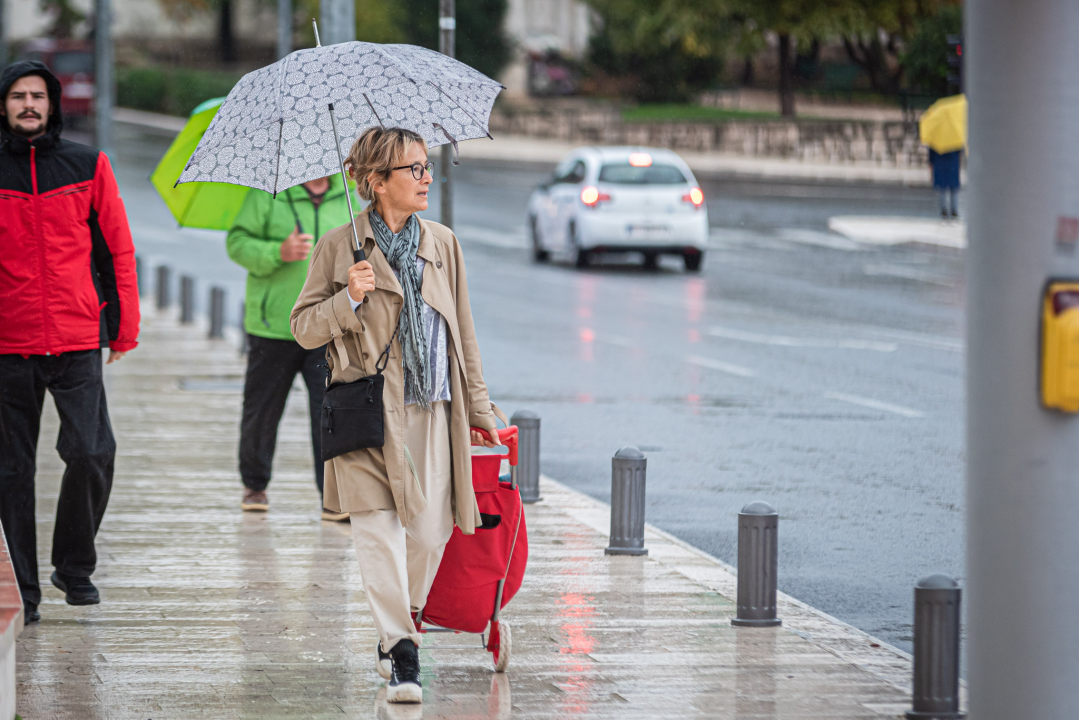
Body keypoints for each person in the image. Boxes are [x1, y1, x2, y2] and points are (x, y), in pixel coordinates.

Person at [291, 127, 502, 704]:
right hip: (366, 413)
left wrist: (479, 407)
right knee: (377, 531)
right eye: (414, 169)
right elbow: (303, 327)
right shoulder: (340, 248)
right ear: (377, 182)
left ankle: (399, 617)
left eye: (427, 167)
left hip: (434, 409)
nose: (426, 177)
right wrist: (348, 299)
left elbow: (463, 331)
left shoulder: (443, 244)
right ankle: (402, 649)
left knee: (430, 533)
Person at [0, 61, 140, 624]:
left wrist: (123, 327)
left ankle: (73, 565)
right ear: (4, 105)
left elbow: (117, 250)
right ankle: (25, 593)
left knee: (92, 451)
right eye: (17, 96)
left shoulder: (87, 164)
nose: (28, 104)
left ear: (52, 104)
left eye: (37, 95)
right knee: (12, 473)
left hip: (77, 336)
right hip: (9, 343)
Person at [227, 175, 358, 520]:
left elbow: (363, 248)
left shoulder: (346, 197)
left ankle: (332, 495)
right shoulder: (267, 193)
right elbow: (237, 242)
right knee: (262, 410)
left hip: (326, 327)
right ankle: (255, 484)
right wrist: (276, 252)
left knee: (329, 412)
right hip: (274, 326)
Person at [929, 148, 961, 219]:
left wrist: (931, 164)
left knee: (942, 188)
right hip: (953, 163)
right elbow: (960, 150)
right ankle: (954, 210)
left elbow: (931, 154)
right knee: (953, 189)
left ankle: (943, 210)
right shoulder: (955, 138)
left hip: (940, 163)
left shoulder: (936, 139)